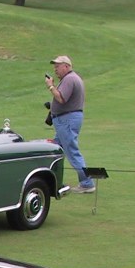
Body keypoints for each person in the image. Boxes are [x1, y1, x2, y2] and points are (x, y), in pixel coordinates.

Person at [44, 55, 94, 194]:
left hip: (67, 120)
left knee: (72, 151)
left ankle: (87, 183)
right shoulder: (70, 78)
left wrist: (50, 86)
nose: (55, 69)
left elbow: (61, 98)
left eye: (58, 66)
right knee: (55, 148)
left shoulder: (70, 79)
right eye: (55, 66)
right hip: (67, 120)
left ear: (66, 66)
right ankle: (52, 179)